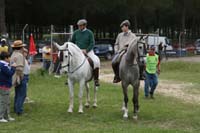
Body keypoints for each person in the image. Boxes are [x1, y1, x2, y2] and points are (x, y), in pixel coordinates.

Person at [71, 19, 100, 86]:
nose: (79, 27)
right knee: (70, 60)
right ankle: (69, 78)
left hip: (88, 51)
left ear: (84, 25)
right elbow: (72, 42)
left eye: (80, 26)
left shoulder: (89, 32)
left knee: (96, 61)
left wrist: (86, 50)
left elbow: (92, 43)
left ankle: (96, 79)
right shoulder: (75, 33)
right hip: (77, 51)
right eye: (78, 26)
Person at [10, 40, 26, 115]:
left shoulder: (13, 54)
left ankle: (16, 108)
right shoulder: (19, 55)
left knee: (17, 93)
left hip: (14, 76)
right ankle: (19, 110)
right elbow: (19, 68)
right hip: (19, 76)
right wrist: (21, 77)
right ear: (20, 47)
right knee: (22, 94)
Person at [0, 52, 16, 122]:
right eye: (9, 57)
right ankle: (1, 117)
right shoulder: (3, 65)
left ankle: (7, 116)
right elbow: (10, 74)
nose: (10, 59)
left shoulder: (3, 64)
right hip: (4, 86)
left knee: (7, 101)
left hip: (3, 85)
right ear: (6, 58)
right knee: (4, 102)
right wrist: (13, 67)